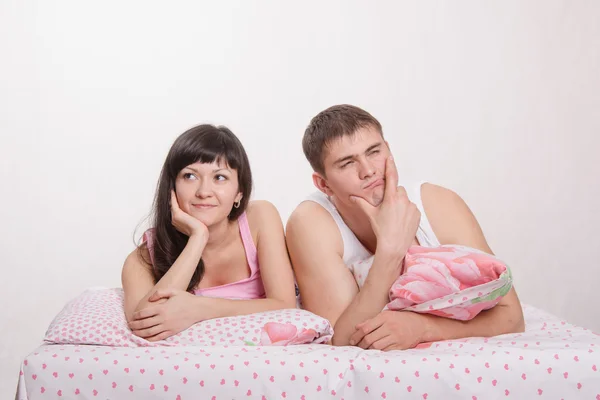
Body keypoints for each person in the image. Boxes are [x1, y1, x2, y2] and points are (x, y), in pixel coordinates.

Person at [286, 104, 525, 351]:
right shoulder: (310, 222)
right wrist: (391, 250)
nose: (368, 171)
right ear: (323, 184)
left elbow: (512, 316)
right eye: (347, 163)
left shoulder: (438, 204)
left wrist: (423, 328)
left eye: (374, 152)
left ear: (389, 150)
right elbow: (341, 339)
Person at [122, 124, 296, 341]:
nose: (204, 192)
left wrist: (201, 308)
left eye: (220, 177)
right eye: (190, 176)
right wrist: (197, 238)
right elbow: (145, 325)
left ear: (239, 192)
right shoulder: (142, 259)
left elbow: (285, 305)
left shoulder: (260, 217)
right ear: (172, 188)